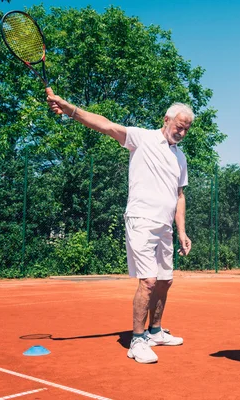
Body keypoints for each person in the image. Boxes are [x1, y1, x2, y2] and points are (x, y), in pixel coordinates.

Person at [47, 89, 193, 364]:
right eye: (179, 127)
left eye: (186, 130)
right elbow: (106, 125)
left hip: (165, 227)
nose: (182, 133)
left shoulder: (180, 158)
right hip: (140, 219)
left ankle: (156, 331)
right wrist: (70, 109)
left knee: (165, 281)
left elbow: (179, 196)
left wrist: (182, 232)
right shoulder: (143, 138)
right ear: (166, 120)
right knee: (148, 281)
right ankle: (137, 341)